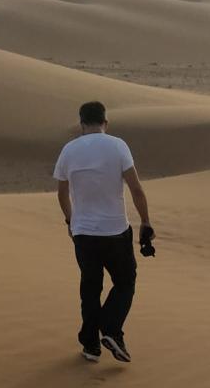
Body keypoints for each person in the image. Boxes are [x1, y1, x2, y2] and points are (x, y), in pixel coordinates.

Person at [53, 100, 155, 364]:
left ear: (81, 124)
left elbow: (62, 192)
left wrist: (70, 221)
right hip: (115, 231)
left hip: (83, 234)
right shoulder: (117, 145)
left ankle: (90, 346)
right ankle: (110, 329)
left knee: (90, 287)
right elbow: (136, 189)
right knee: (125, 282)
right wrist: (146, 222)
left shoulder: (69, 150)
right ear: (105, 123)